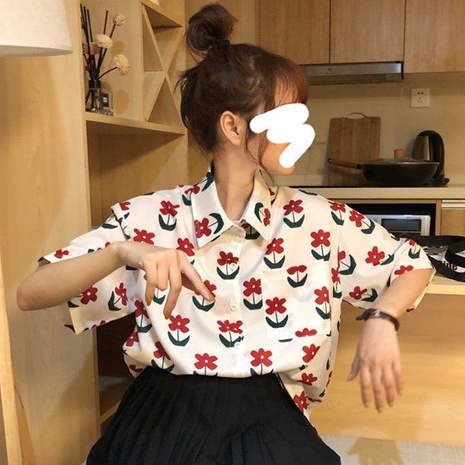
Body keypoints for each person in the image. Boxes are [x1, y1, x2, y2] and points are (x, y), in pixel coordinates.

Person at [17, 4, 434, 465]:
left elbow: (412, 263)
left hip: (269, 410)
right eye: (288, 118)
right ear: (234, 126)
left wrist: (382, 319)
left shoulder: (319, 220)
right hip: (164, 407)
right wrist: (121, 252)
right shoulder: (151, 217)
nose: (304, 132)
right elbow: (31, 294)